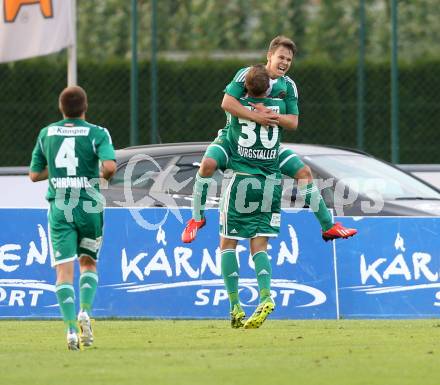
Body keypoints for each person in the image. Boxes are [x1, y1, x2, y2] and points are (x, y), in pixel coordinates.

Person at [182, 36, 357, 243]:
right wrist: (258, 116)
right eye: (281, 57)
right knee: (208, 163)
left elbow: (292, 122)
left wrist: (273, 117)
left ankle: (328, 226)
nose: (284, 63)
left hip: (267, 148)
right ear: (269, 56)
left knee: (304, 172)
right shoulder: (247, 75)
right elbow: (227, 103)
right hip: (232, 141)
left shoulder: (289, 86)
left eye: (289, 60)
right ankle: (196, 218)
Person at [29, 86, 116, 350]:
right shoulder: (98, 133)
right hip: (88, 206)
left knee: (63, 272)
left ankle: (69, 330)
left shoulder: (47, 133)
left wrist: (56, 172)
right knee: (88, 263)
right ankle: (86, 312)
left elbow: (34, 174)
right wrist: (99, 174)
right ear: (85, 107)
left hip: (60, 207)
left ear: (61, 107)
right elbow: (110, 167)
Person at [220, 64, 292, 329]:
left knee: (228, 244)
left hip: (242, 180)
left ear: (244, 87)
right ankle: (265, 295)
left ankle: (235, 304)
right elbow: (293, 122)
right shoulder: (279, 109)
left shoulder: (238, 109)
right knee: (259, 246)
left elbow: (227, 103)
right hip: (270, 182)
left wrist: (251, 113)